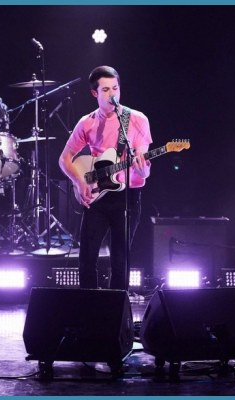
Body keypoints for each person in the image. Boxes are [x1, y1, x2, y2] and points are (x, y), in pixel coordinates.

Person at [58, 66, 152, 290]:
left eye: (116, 89)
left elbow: (145, 172)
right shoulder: (87, 122)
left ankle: (117, 310)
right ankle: (89, 307)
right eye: (107, 90)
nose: (113, 95)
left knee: (120, 260)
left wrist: (141, 168)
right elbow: (64, 159)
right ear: (95, 94)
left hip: (127, 197)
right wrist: (79, 182)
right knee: (87, 258)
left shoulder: (137, 120)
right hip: (97, 197)